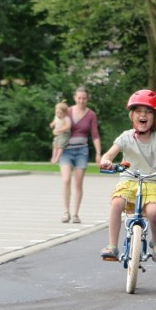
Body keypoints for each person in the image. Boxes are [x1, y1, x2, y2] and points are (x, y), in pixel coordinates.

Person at [99, 89, 156, 262]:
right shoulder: (125, 137)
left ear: (154, 118)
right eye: (138, 111)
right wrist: (106, 161)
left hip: (151, 183)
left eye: (148, 112)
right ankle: (112, 246)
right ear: (132, 115)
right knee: (116, 204)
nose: (143, 115)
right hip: (128, 180)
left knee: (153, 213)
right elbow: (108, 155)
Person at [59, 86, 101, 224]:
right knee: (66, 180)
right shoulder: (67, 111)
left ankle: (75, 214)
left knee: (78, 183)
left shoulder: (91, 115)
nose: (81, 101)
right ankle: (66, 212)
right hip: (66, 150)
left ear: (87, 99)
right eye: (79, 98)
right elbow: (57, 125)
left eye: (84, 98)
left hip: (82, 151)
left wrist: (98, 154)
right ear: (75, 98)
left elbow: (95, 135)